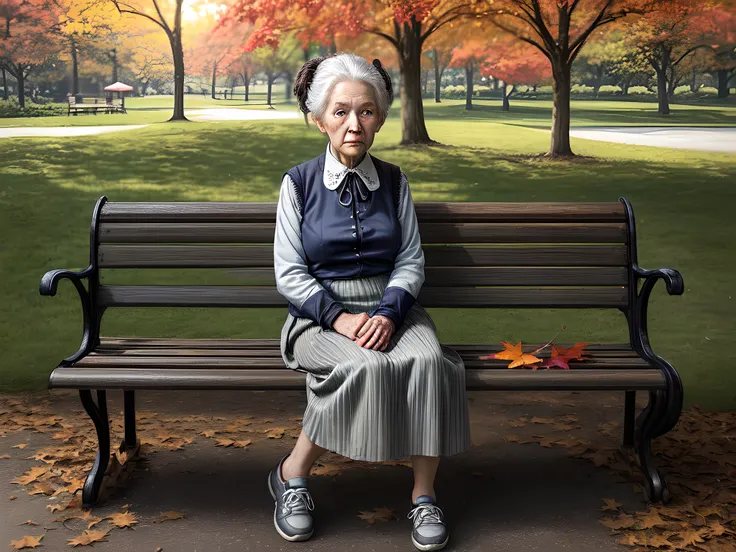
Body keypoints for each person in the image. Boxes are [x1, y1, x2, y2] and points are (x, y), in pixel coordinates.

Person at [271, 52, 471, 551]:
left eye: (364, 111)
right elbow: (289, 273)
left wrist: (387, 313)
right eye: (340, 112)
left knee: (429, 362)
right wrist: (339, 318)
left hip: (393, 310)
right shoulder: (297, 184)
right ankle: (291, 475)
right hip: (317, 318)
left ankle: (424, 495)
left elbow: (411, 261)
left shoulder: (396, 181)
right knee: (365, 368)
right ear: (319, 120)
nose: (353, 123)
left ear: (379, 118)